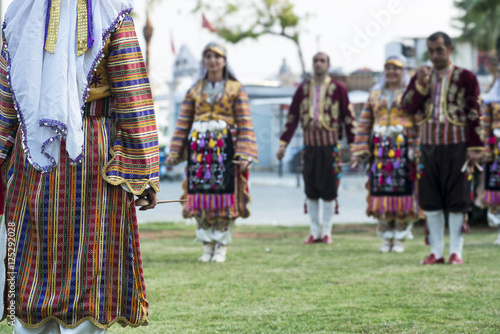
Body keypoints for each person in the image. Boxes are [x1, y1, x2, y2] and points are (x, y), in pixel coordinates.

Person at [0, 1, 160, 332]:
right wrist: (143, 173)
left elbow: (6, 98)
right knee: (90, 260)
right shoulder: (112, 14)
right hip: (92, 148)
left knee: (32, 257)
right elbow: (132, 96)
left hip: (33, 149)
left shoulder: (19, 14)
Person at [167, 42, 258, 263]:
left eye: (217, 56)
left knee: (224, 198)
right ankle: (207, 245)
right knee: (200, 198)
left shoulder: (236, 89)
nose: (212, 60)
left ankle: (221, 246)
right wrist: (175, 151)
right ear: (203, 61)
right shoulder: (194, 90)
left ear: (224, 61)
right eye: (208, 56)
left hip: (225, 151)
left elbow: (245, 122)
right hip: (199, 152)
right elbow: (183, 123)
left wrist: (245, 153)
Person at [401, 32, 484, 265]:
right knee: (430, 196)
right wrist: (420, 83)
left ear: (450, 49)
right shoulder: (421, 77)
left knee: (458, 197)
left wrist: (475, 145)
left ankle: (456, 251)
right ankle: (436, 251)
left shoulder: (466, 77)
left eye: (439, 50)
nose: (435, 55)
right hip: (428, 145)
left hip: (457, 144)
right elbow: (407, 107)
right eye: (431, 50)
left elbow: (474, 112)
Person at [276, 52, 357, 244]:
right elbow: (292, 118)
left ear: (328, 65)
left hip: (330, 147)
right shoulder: (303, 89)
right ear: (312, 65)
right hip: (309, 146)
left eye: (322, 61)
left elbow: (349, 118)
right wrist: (283, 144)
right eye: (315, 61)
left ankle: (327, 231)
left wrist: (354, 146)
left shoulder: (338, 88)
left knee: (329, 189)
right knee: (310, 188)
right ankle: (314, 231)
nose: (318, 64)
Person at [351, 56, 420, 253]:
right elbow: (364, 122)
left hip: (402, 147)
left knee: (403, 191)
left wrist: (416, 146)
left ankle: (399, 238)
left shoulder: (410, 94)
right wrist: (359, 149)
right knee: (381, 191)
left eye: (396, 68)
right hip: (379, 149)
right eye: (388, 68)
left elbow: (417, 121)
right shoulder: (374, 94)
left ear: (403, 71)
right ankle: (386, 236)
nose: (391, 72)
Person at [479, 73, 500, 245]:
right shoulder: (491, 100)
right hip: (496, 149)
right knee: (497, 190)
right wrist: (487, 149)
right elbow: (485, 128)